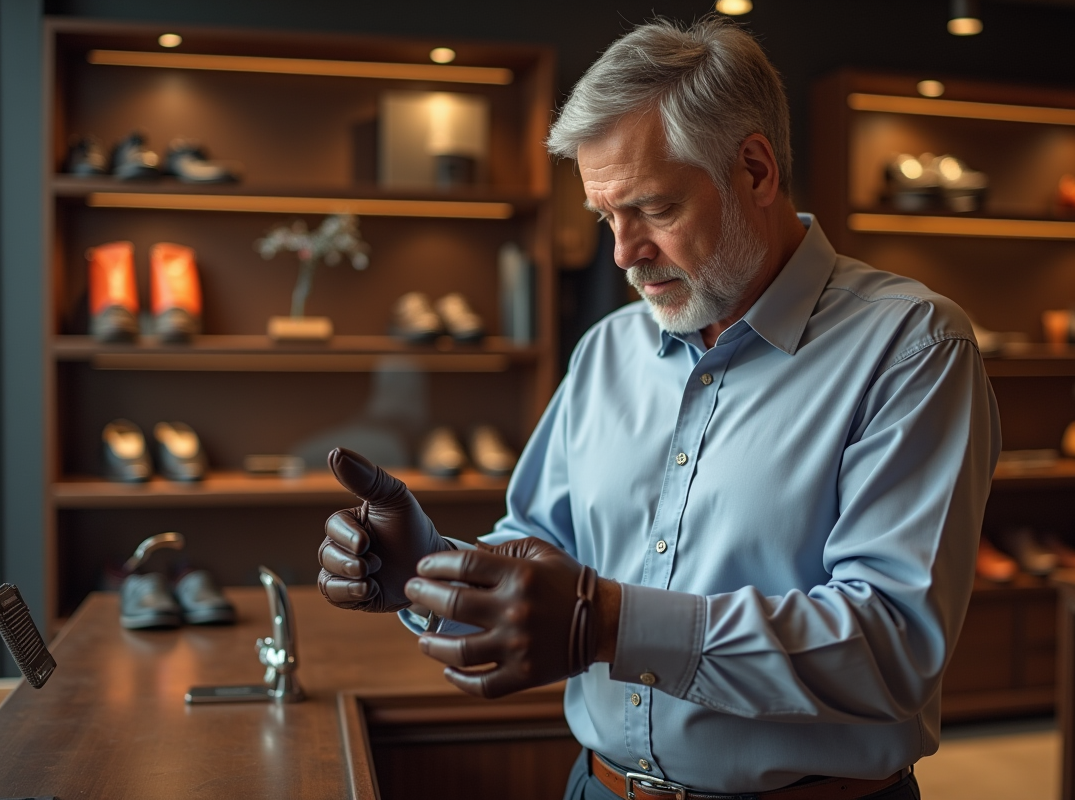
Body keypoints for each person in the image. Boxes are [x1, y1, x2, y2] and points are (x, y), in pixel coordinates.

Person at [318, 16, 999, 800]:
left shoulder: (911, 346)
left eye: (653, 209)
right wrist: (426, 572)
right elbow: (541, 554)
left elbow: (893, 647)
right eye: (605, 216)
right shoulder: (609, 348)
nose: (623, 252)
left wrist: (609, 623)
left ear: (754, 169)